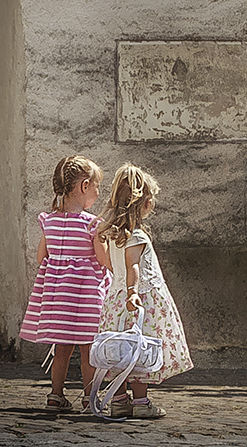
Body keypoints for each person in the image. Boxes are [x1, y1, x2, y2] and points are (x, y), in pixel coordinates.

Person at [95, 164, 193, 419]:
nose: (154, 202)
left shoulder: (115, 235)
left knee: (119, 350)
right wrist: (133, 292)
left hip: (116, 301)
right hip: (140, 299)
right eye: (151, 197)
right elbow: (133, 265)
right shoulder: (136, 236)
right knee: (139, 348)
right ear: (142, 201)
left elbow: (111, 263)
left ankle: (118, 400)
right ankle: (140, 401)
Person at [19, 155, 110, 412]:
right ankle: (89, 396)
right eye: (96, 187)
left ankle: (56, 395)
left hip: (59, 299)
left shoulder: (49, 221)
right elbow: (102, 259)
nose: (97, 192)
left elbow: (40, 257)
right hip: (85, 296)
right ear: (84, 186)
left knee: (61, 350)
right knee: (88, 350)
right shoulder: (93, 224)